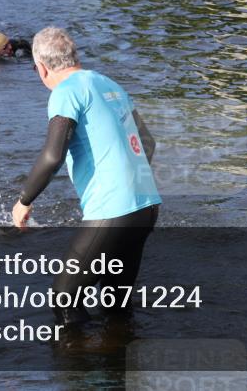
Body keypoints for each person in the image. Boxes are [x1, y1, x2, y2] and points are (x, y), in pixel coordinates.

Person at [12, 27, 161, 326]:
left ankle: (76, 369)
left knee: (63, 297)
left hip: (114, 211)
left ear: (41, 67)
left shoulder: (65, 92)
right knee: (116, 303)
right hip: (147, 206)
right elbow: (148, 143)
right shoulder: (109, 84)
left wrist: (24, 201)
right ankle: (116, 364)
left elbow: (52, 156)